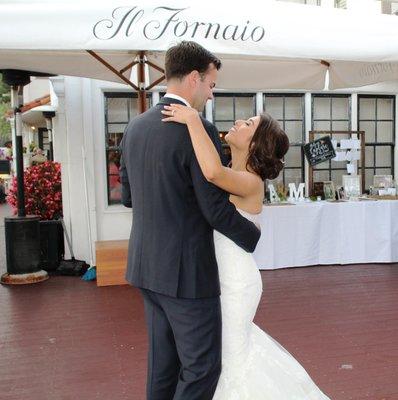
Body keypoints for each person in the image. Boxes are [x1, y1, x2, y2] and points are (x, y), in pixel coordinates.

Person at [119, 41, 261, 400]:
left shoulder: (134, 128)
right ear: (195, 78)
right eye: (212, 85)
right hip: (186, 274)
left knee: (163, 365)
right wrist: (253, 235)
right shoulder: (200, 130)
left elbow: (128, 198)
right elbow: (214, 208)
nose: (211, 95)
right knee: (201, 367)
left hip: (144, 266)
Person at [162, 104, 331, 399]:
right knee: (225, 355)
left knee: (231, 359)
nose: (238, 122)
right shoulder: (234, 174)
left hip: (236, 283)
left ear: (255, 144)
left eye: (248, 123)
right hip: (219, 279)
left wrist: (192, 119)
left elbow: (212, 172)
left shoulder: (251, 182)